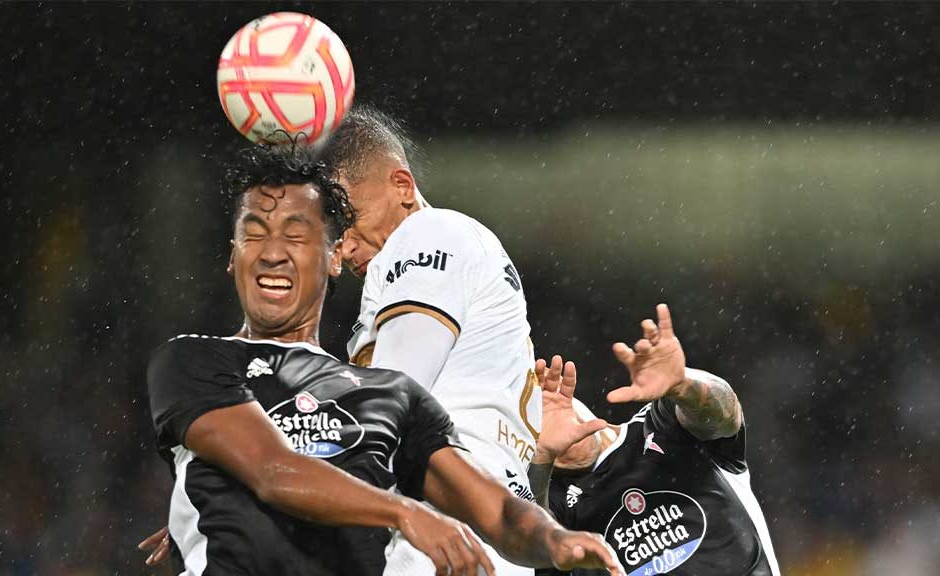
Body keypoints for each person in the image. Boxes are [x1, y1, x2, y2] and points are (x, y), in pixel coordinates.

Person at [144, 141, 624, 576]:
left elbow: (493, 508)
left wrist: (554, 539)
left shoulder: (387, 389)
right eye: (255, 235)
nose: (273, 253)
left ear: (332, 255)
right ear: (232, 256)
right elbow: (273, 471)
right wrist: (405, 513)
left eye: (296, 235)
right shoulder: (194, 359)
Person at [317, 105, 575, 576]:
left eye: (349, 218)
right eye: (333, 230)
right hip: (482, 529)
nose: (344, 245)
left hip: (439, 531)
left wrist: (259, 482)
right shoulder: (454, 252)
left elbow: (389, 399)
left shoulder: (428, 234)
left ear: (401, 186)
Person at [531, 304, 780, 575]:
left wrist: (683, 384)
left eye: (544, 396)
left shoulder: (660, 425)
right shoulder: (551, 505)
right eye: (530, 421)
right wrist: (542, 458)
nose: (544, 416)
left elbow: (726, 414)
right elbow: (531, 541)